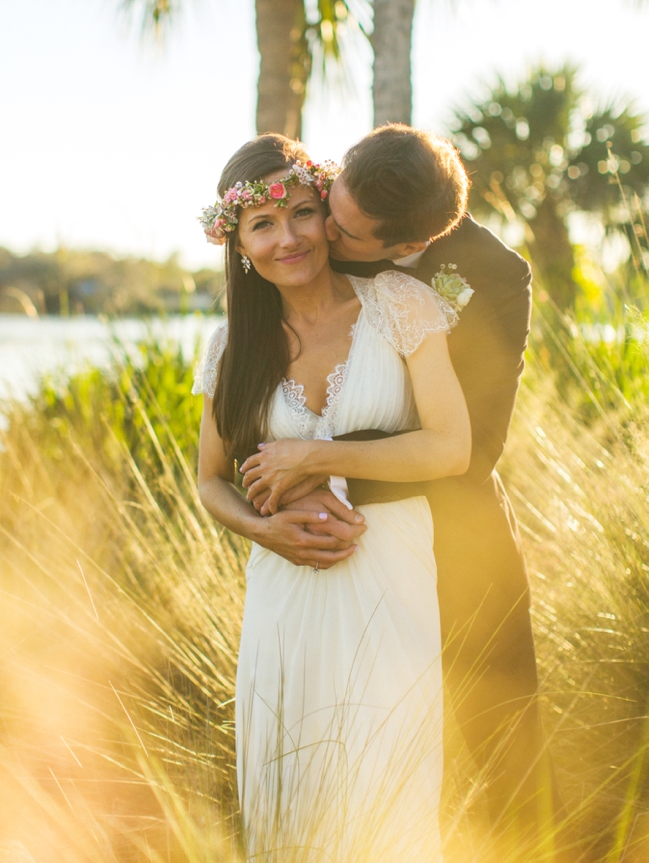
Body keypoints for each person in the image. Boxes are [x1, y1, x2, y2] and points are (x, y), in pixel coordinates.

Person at [241, 123, 555, 851]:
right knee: (339, 753)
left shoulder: (490, 275)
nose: (322, 233)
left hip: (455, 540)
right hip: (330, 553)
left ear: (398, 243)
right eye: (328, 201)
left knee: (503, 745)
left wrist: (315, 457)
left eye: (344, 231)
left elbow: (470, 452)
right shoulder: (316, 224)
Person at [196, 133, 471, 861]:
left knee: (388, 790)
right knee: (291, 795)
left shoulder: (401, 306)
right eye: (263, 224)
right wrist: (265, 532)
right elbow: (208, 482)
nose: (289, 237)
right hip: (285, 597)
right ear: (239, 244)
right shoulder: (231, 346)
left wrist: (314, 454)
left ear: (326, 212)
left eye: (302, 213)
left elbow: (450, 448)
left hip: (391, 586)